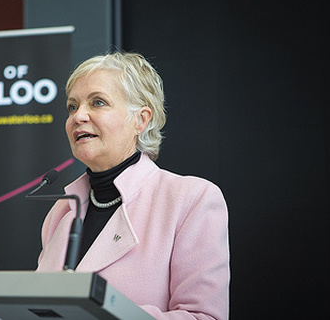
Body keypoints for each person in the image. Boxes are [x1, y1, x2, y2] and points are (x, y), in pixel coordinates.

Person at [36, 51, 230, 319]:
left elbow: (203, 317)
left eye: (98, 102)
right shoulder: (62, 210)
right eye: (72, 106)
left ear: (141, 120)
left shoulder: (191, 199)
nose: (78, 116)